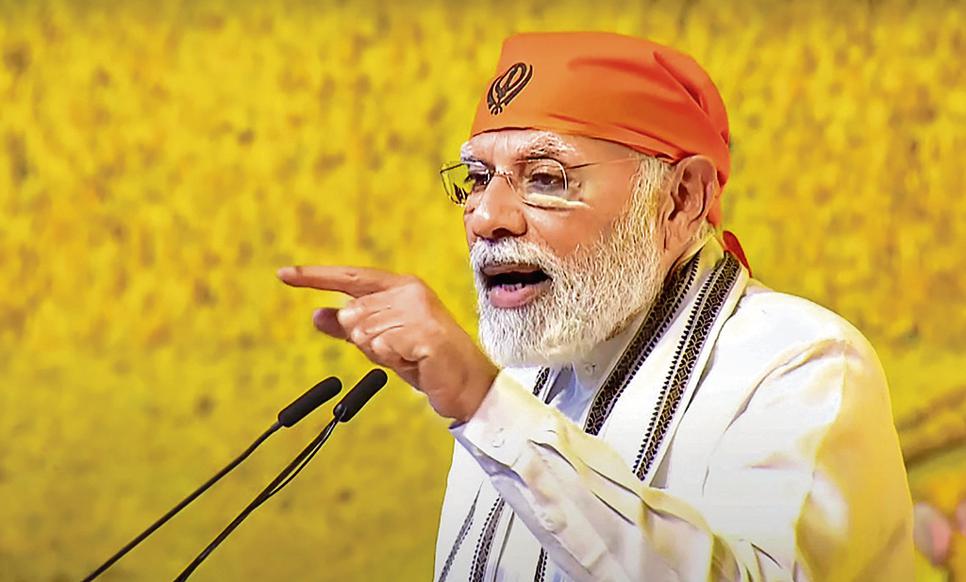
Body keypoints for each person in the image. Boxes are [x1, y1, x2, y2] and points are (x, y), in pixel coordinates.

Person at [277, 31, 913, 581]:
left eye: (547, 179)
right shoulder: (527, 374)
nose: (487, 216)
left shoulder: (804, 367)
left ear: (680, 198)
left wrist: (482, 404)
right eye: (476, 178)